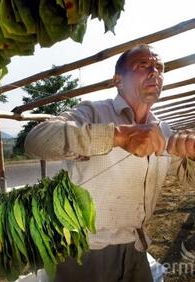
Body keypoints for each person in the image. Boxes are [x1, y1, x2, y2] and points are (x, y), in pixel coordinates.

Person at [24, 44, 195, 282]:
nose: (154, 72)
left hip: (136, 248)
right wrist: (118, 136)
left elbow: (188, 178)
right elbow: (37, 140)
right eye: (143, 65)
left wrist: (192, 154)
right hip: (85, 251)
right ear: (118, 80)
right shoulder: (93, 113)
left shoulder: (164, 130)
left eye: (159, 67)